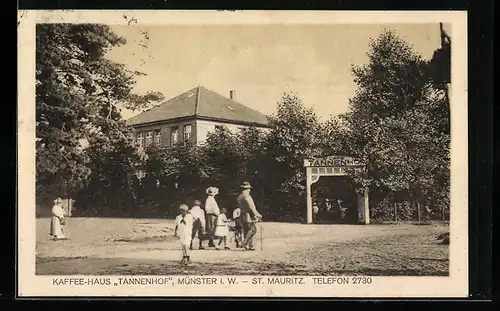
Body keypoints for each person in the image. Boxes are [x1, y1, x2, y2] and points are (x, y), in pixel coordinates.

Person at [237, 181, 262, 251]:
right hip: (248, 215)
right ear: (247, 189)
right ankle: (245, 243)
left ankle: (249, 246)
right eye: (249, 188)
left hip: (242, 215)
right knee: (253, 230)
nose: (249, 190)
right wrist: (257, 214)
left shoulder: (239, 197)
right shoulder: (247, 196)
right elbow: (251, 207)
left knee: (246, 230)